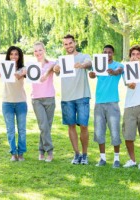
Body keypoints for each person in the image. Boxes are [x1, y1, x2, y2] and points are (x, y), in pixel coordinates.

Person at [53, 34, 92, 165]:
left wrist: (82, 65)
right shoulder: (61, 59)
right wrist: (55, 68)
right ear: (63, 46)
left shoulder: (83, 56)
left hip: (82, 96)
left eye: (70, 43)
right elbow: (55, 69)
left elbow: (89, 63)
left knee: (84, 126)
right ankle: (77, 154)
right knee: (71, 126)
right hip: (67, 98)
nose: (68, 46)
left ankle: (85, 154)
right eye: (66, 44)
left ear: (75, 43)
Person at [89, 45, 123, 168]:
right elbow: (92, 75)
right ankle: (102, 158)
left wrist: (114, 72)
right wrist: (92, 75)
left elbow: (120, 70)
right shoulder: (98, 64)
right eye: (105, 52)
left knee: (115, 131)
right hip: (99, 102)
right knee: (99, 131)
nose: (107, 54)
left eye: (109, 52)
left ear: (113, 53)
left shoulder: (117, 65)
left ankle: (116, 159)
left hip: (112, 103)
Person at [0, 46, 27, 161]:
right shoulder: (5, 67)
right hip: (7, 103)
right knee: (10, 129)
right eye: (11, 54)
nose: (14, 56)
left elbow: (26, 72)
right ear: (8, 55)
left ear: (19, 56)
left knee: (22, 129)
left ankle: (21, 153)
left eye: (16, 54)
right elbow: (0, 74)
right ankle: (13, 153)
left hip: (21, 103)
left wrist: (21, 74)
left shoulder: (23, 68)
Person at [31, 42, 56, 162]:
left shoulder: (51, 64)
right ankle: (50, 152)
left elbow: (56, 66)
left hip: (50, 98)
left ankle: (41, 151)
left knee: (47, 126)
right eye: (35, 51)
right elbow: (22, 72)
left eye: (40, 50)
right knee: (43, 125)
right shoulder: (31, 65)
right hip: (36, 99)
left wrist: (47, 73)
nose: (38, 53)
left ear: (44, 50)